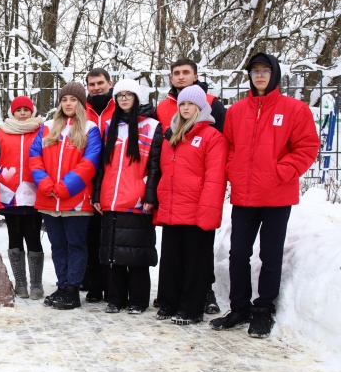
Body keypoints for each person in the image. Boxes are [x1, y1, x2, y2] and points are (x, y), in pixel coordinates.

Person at [211, 53, 320, 338]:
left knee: (271, 255)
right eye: (255, 71)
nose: (259, 75)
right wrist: (233, 170)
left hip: (276, 196)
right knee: (238, 254)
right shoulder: (236, 111)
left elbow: (307, 147)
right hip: (244, 197)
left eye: (264, 70)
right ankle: (239, 307)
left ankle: (263, 310)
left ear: (274, 74)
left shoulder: (295, 110)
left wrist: (280, 172)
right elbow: (229, 146)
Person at [156, 58, 225, 314]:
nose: (186, 108)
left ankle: (191, 308)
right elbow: (166, 173)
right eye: (182, 103)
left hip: (197, 210)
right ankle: (169, 302)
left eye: (191, 104)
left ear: (201, 107)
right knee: (172, 260)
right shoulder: (172, 137)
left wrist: (207, 211)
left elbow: (215, 178)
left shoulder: (212, 136)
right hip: (174, 209)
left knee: (196, 263)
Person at [92, 78, 162, 314]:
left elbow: (155, 166)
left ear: (136, 98)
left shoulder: (151, 126)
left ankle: (138, 300)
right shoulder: (109, 125)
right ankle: (116, 298)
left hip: (137, 199)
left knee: (137, 255)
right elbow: (102, 165)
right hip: (110, 199)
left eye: (128, 95)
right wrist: (97, 194)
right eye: (119, 95)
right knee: (113, 254)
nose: (123, 99)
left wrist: (150, 195)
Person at [29, 82, 101, 310]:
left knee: (76, 245)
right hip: (49, 198)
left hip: (76, 200)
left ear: (81, 103)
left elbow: (89, 163)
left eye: (73, 100)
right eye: (64, 99)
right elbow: (34, 157)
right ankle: (62, 286)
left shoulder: (90, 128)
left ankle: (72, 289)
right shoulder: (48, 126)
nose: (68, 103)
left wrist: (65, 187)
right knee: (57, 246)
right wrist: (45, 183)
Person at [0, 96, 45, 299]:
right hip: (8, 193)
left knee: (33, 235)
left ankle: (36, 284)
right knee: (14, 235)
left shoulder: (41, 132)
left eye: (26, 110)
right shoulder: (1, 134)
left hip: (34, 193)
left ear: (32, 111)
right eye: (18, 110)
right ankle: (20, 283)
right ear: (12, 112)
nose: (22, 113)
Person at [83, 68, 116, 303]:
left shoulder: (121, 106)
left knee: (111, 234)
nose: (96, 87)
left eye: (100, 83)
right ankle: (93, 282)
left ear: (109, 83)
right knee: (90, 234)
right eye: (92, 84)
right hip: (87, 179)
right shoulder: (80, 110)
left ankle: (112, 282)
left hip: (114, 177)